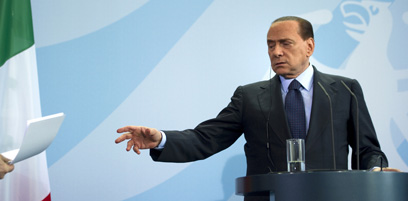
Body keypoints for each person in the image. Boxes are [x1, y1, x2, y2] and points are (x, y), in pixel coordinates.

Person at [115, 16, 399, 200]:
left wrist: (376, 172)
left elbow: (367, 151)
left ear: (309, 46)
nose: (276, 51)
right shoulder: (249, 96)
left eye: (285, 43)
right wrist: (161, 139)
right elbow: (206, 138)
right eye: (271, 45)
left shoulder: (345, 90)